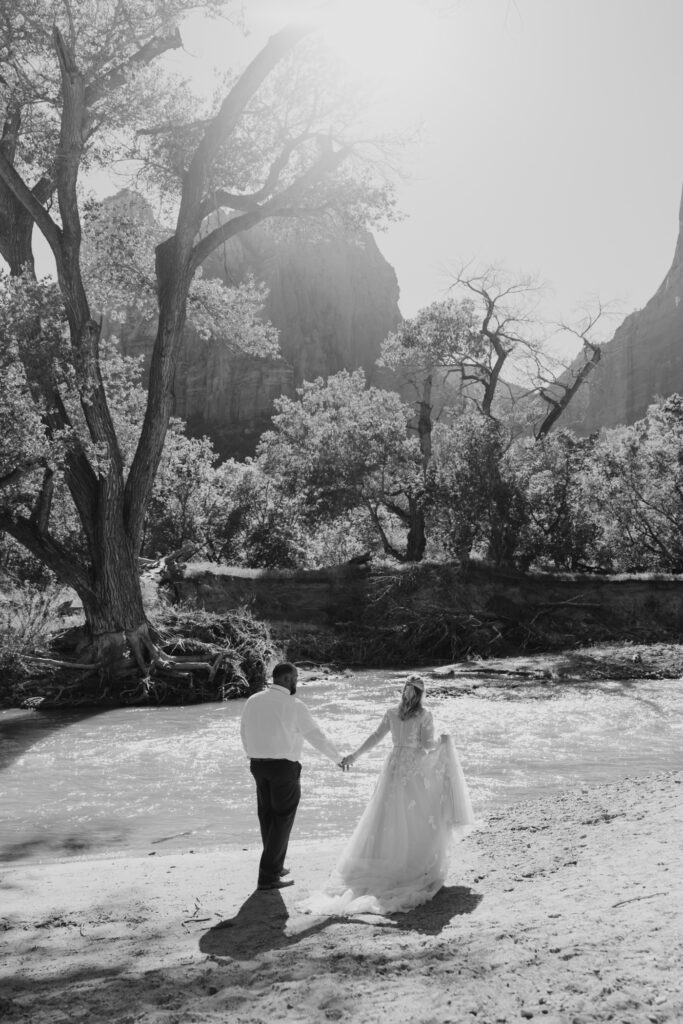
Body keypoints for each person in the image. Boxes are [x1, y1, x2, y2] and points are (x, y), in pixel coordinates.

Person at [307, 674, 475, 915]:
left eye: (410, 691)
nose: (410, 694)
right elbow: (426, 746)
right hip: (410, 768)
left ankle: (390, 862)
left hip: (395, 766)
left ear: (407, 692)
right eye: (412, 691)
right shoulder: (422, 715)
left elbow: (377, 737)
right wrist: (443, 742)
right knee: (409, 815)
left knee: (391, 814)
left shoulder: (395, 713)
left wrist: (354, 756)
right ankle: (407, 865)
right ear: (417, 693)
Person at [240, 661, 346, 891]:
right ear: (286, 679)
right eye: (296, 677)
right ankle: (268, 876)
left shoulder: (253, 700)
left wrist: (252, 755)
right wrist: (337, 758)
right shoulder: (294, 705)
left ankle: (274, 866)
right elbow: (316, 736)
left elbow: (244, 731)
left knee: (267, 817)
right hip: (283, 768)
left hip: (257, 765)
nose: (297, 681)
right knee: (282, 818)